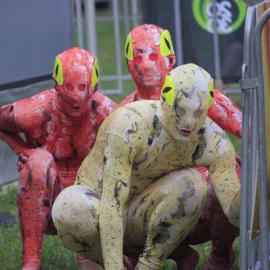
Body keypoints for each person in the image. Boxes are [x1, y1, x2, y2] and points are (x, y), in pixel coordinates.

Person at [52, 64, 240, 270]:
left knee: (193, 185)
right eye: (180, 110)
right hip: (97, 211)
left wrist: (261, 190)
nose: (187, 122)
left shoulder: (214, 142)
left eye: (197, 114)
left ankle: (149, 264)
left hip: (143, 215)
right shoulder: (130, 124)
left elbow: (236, 214)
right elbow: (112, 203)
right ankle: (106, 262)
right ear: (164, 101)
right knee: (68, 208)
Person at [119, 24, 242, 269]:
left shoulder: (199, 92)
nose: (145, 65)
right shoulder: (124, 113)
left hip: (201, 202)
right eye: (138, 57)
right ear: (128, 64)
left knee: (229, 178)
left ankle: (220, 255)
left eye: (153, 56)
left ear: (170, 59)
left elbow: (246, 127)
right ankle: (166, 256)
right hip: (155, 203)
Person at [0, 47, 117, 270]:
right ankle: (31, 260)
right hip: (47, 198)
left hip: (88, 197)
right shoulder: (36, 110)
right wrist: (23, 150)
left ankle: (105, 253)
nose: (75, 96)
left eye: (82, 88)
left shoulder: (106, 112)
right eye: (68, 87)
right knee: (38, 161)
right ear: (56, 85)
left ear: (94, 87)